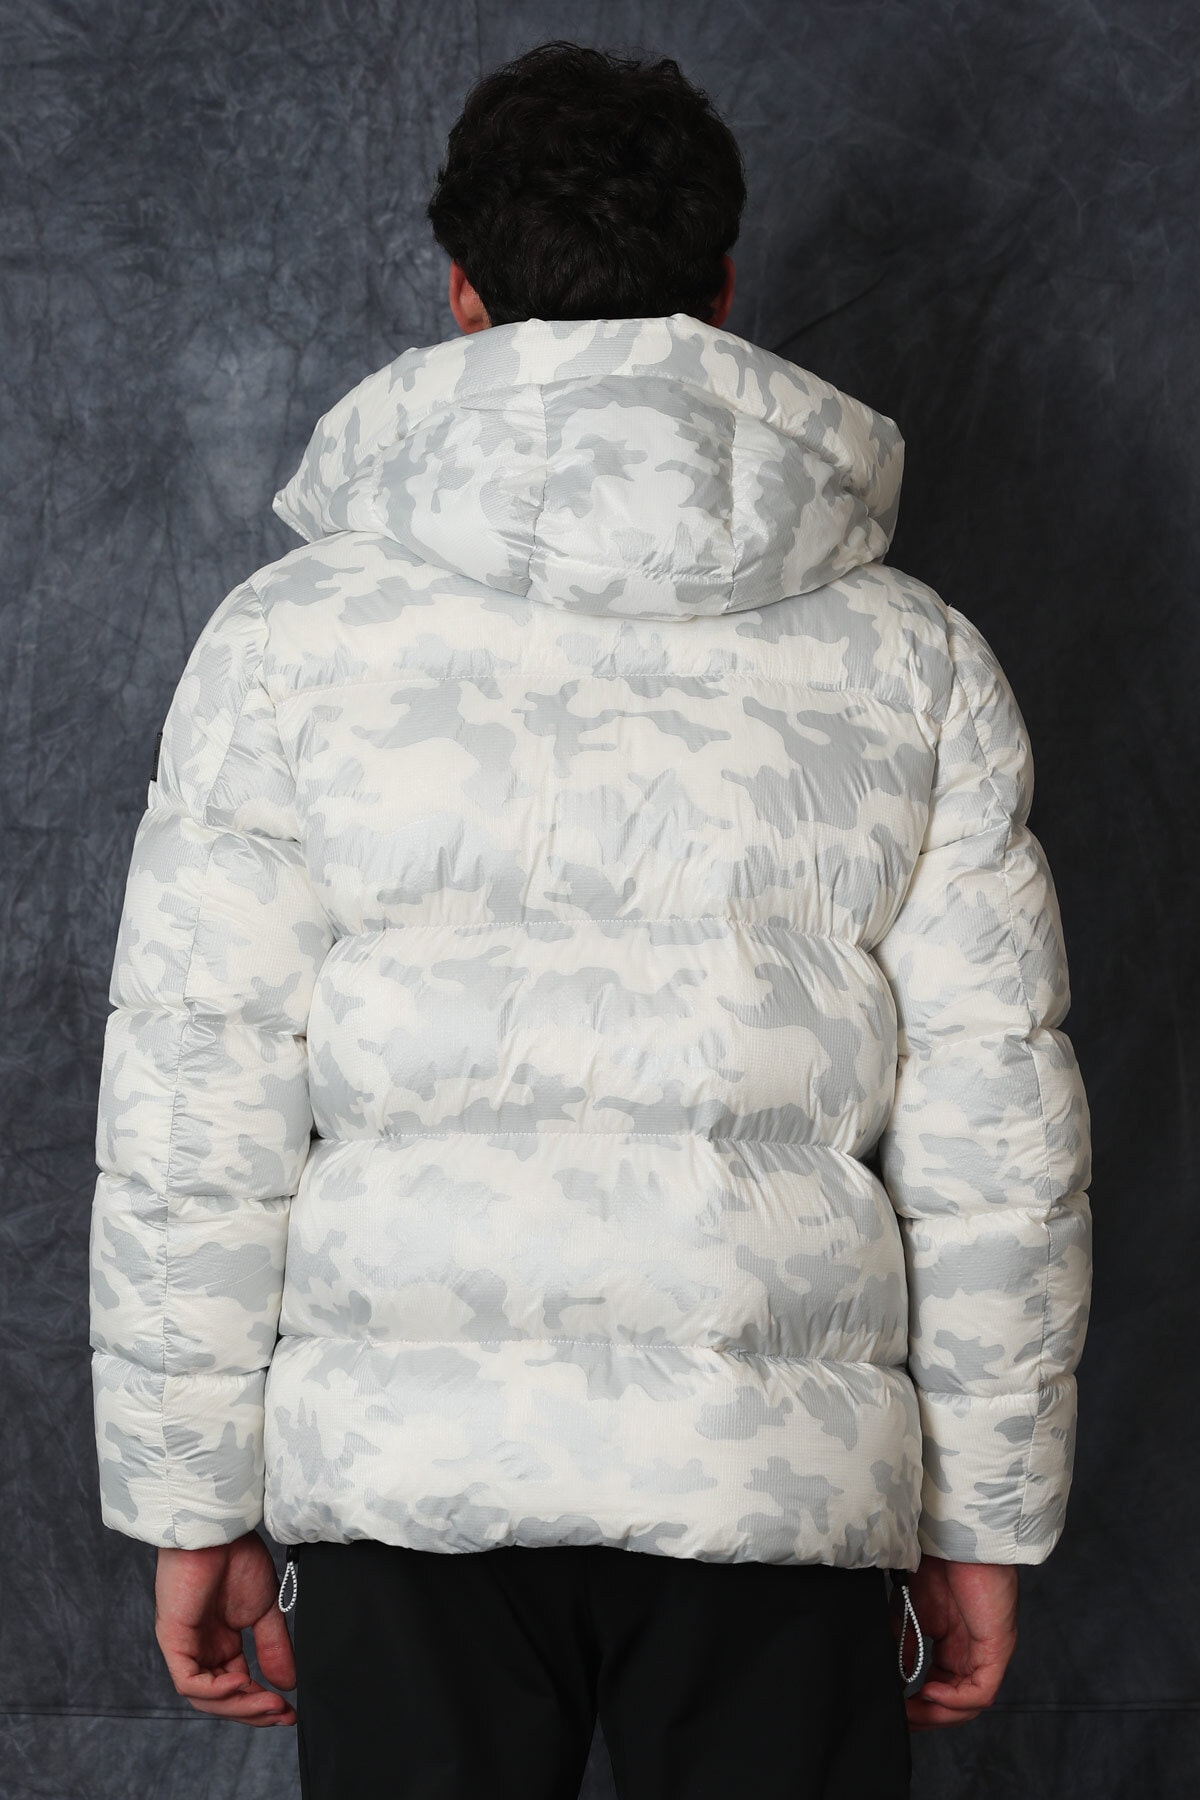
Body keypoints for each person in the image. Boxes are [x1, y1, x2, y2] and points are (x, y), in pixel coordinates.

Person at [88, 39, 1093, 1800]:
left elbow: (196, 1101)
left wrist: (192, 1498)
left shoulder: (287, 646)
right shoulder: (914, 660)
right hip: (773, 1478)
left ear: (462, 294)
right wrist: (984, 1516)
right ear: (722, 289)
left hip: (411, 1483)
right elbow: (998, 1135)